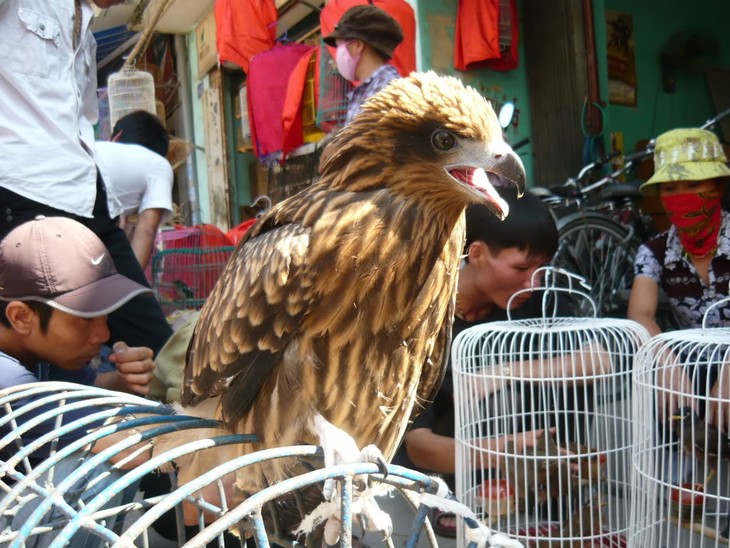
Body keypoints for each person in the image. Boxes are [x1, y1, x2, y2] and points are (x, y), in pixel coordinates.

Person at [394, 191, 610, 536]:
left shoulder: (534, 296)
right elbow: (420, 448)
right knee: (458, 385)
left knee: (563, 369)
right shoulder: (424, 321)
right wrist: (511, 452)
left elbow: (600, 361)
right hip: (458, 460)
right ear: (476, 253)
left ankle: (545, 484)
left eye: (541, 268)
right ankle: (474, 492)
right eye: (522, 268)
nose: (533, 281)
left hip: (533, 445)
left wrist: (504, 372)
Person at [0, 0, 173, 355]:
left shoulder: (88, 36)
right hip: (19, 193)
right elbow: (147, 228)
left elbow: (80, 122)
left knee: (156, 345)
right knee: (38, 349)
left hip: (86, 194)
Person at [0, 216, 157, 546]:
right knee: (96, 467)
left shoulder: (38, 350)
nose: (103, 333)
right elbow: (129, 445)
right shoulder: (9, 380)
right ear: (21, 317)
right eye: (84, 317)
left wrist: (120, 380)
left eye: (104, 314)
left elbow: (86, 393)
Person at [628, 127, 730, 431]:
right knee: (659, 384)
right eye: (670, 188)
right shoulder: (654, 251)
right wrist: (666, 361)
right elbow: (639, 315)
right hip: (693, 361)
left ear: (718, 187)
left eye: (693, 184)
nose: (681, 196)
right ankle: (682, 469)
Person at [96, 110, 174, 270]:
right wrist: (135, 286)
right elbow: (147, 229)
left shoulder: (92, 147)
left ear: (117, 137)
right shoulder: (158, 165)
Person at [323, 4, 404, 126]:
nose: (337, 56)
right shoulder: (366, 91)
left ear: (357, 45)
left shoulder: (385, 90)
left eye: (340, 45)